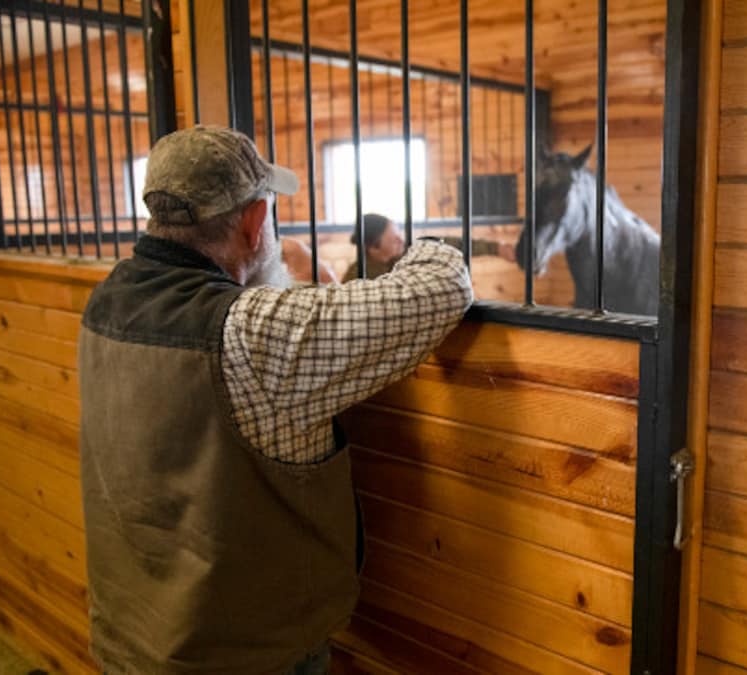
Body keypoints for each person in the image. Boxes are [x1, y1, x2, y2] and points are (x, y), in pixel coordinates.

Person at [77, 125, 473, 674]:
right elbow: (442, 290)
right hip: (244, 656)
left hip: (129, 632)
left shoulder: (106, 301)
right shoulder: (251, 333)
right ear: (254, 222)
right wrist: (425, 245)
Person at [342, 212, 516, 281]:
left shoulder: (410, 252)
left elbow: (451, 245)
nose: (402, 241)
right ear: (373, 247)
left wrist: (496, 248)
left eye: (399, 235)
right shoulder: (355, 278)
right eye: (394, 239)